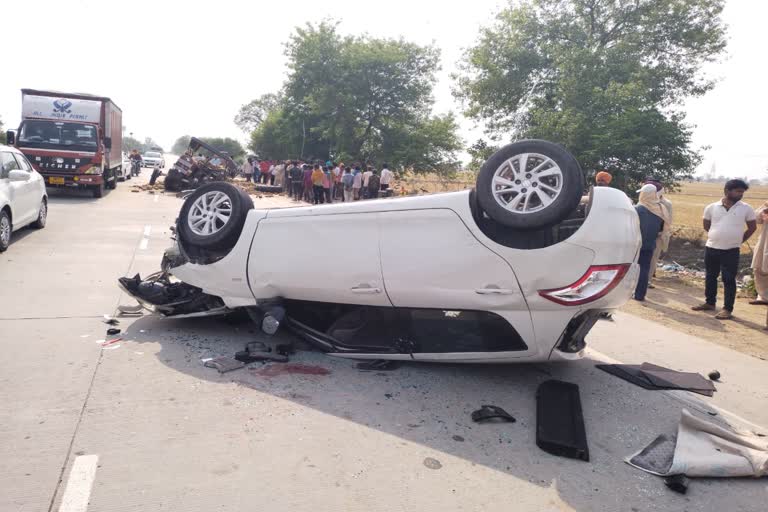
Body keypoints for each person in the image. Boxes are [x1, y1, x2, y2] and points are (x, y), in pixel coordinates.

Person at [692, 179, 757, 320]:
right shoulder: (712, 207)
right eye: (738, 191)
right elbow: (706, 225)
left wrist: (739, 240)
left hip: (731, 250)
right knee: (710, 276)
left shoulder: (746, 208)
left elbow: (752, 227)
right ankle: (709, 303)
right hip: (712, 248)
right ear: (727, 191)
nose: (741, 194)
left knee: (728, 279)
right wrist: (717, 236)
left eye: (742, 192)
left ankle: (727, 309)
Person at [634, 184, 668, 302]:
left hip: (636, 244)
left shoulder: (638, 209)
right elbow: (661, 228)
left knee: (632, 269)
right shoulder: (661, 209)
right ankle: (640, 295)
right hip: (650, 243)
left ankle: (629, 292)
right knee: (644, 269)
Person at [645, 180, 673, 288]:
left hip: (658, 235)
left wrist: (660, 233)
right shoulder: (644, 202)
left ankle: (647, 281)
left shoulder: (666, 204)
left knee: (653, 258)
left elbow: (667, 220)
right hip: (643, 234)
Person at [749, 201, 768, 306]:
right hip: (765, 241)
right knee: (759, 267)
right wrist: (763, 210)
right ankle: (763, 296)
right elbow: (756, 218)